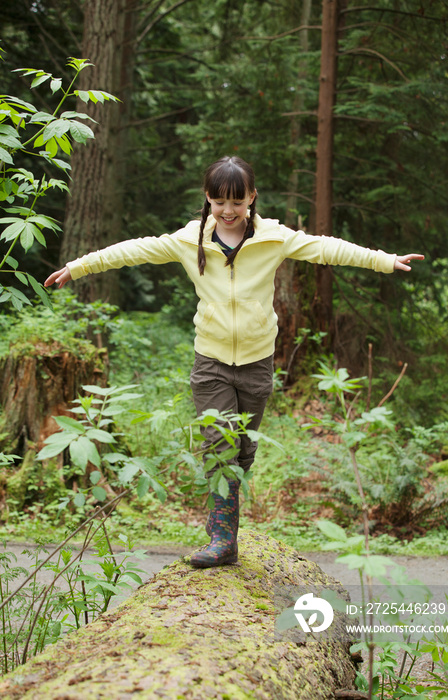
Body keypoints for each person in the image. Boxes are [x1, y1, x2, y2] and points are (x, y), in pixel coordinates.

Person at [45, 155, 424, 569]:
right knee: (220, 447)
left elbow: (323, 248)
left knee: (242, 451)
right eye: (219, 201)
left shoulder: (273, 238)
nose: (228, 211)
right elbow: (134, 251)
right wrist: (79, 266)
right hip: (210, 361)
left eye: (237, 202)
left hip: (258, 362)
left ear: (251, 198)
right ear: (207, 199)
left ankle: (227, 534)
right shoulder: (189, 240)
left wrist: (383, 259)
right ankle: (222, 540)